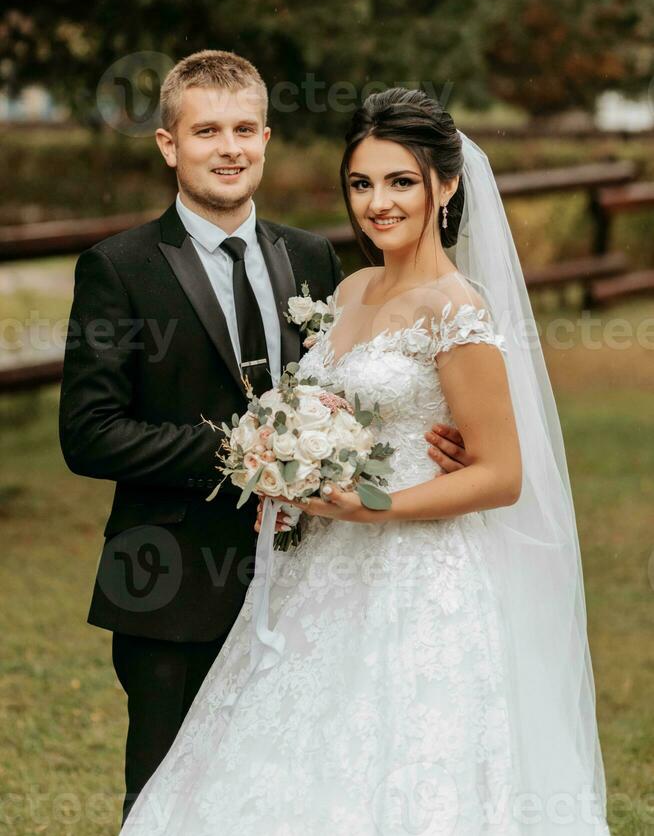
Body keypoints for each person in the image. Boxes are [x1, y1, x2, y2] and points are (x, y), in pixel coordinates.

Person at [117, 87, 611, 834]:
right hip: (322, 569)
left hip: (420, 578)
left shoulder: (457, 309)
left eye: (401, 181)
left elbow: (502, 476)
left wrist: (373, 503)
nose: (378, 203)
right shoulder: (348, 290)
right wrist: (279, 449)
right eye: (361, 183)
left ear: (445, 186)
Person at [58, 55, 456, 827]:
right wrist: (247, 453)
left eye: (244, 129)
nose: (229, 147)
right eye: (207, 130)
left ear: (267, 139)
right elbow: (89, 434)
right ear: (170, 145)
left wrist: (433, 442)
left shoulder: (310, 259)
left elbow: (355, 389)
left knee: (280, 793)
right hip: (173, 585)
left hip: (316, 581)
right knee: (169, 802)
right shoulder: (120, 268)